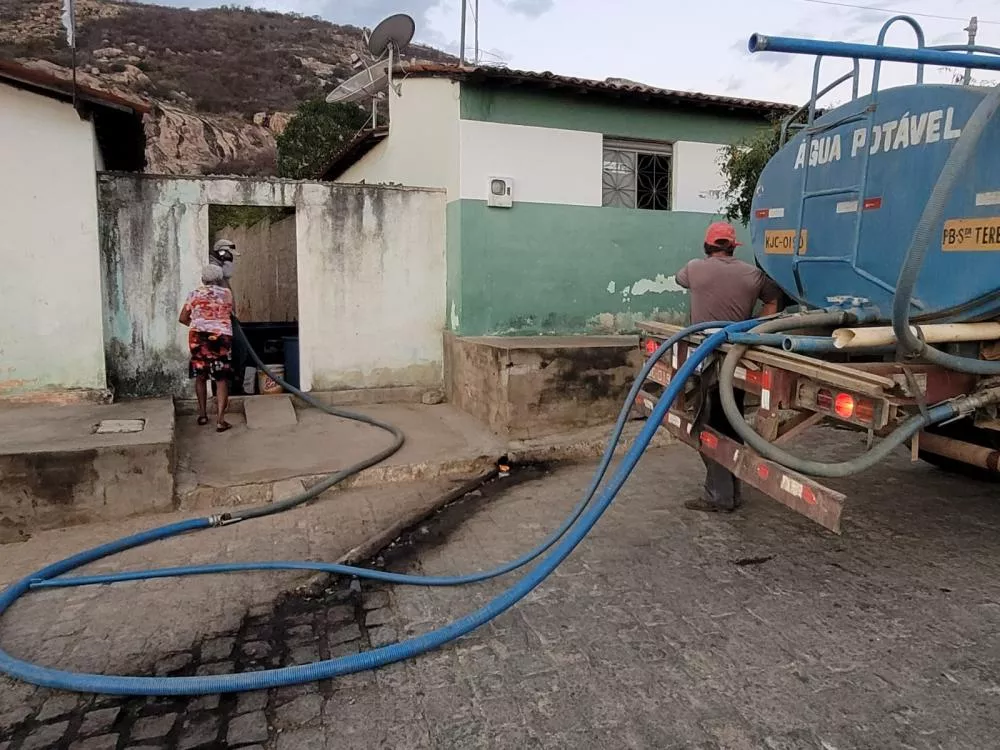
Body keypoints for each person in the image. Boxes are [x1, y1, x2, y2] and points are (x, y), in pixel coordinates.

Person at [675, 221, 781, 513]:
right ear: (734, 247)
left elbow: (679, 280)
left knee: (709, 425)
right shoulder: (753, 275)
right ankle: (730, 491)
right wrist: (754, 330)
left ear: (708, 246)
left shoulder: (695, 268)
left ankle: (720, 496)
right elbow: (774, 301)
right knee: (730, 419)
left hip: (705, 358)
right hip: (738, 356)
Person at [179, 264, 235, 432]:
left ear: (203, 279)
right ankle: (220, 420)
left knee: (201, 376)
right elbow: (230, 312)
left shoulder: (194, 294)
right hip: (221, 338)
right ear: (220, 279)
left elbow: (182, 318)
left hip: (199, 338)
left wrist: (197, 325)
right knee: (221, 378)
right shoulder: (227, 294)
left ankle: (203, 415)